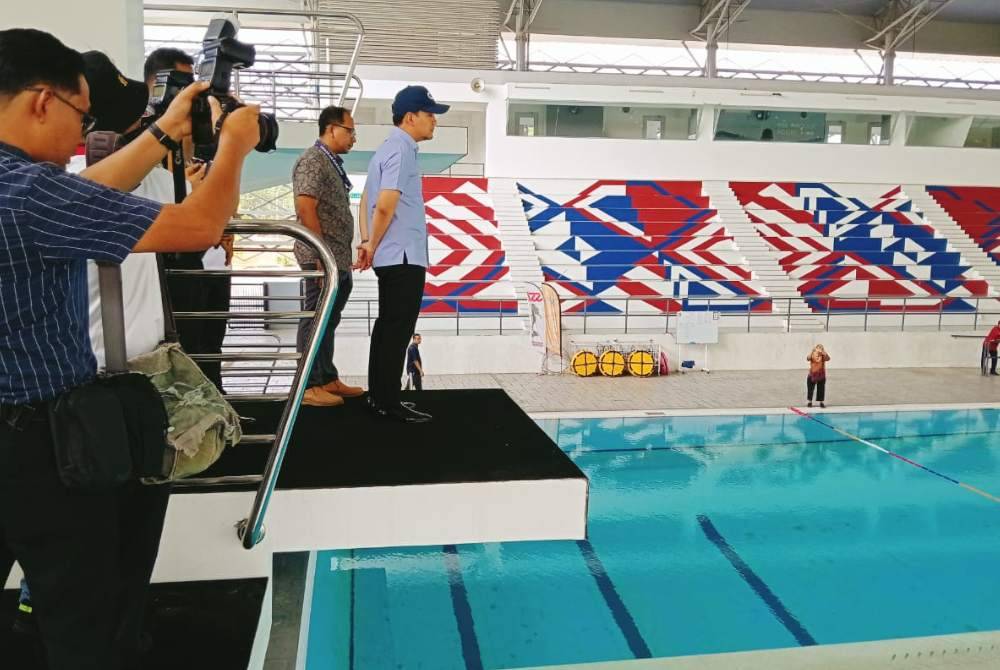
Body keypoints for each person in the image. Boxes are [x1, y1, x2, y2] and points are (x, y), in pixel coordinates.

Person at [0, 28, 259, 669]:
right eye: (79, 116)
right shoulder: (31, 193)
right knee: (81, 615)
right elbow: (198, 226)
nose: (80, 136)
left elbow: (92, 190)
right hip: (38, 447)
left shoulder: (25, 187)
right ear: (40, 101)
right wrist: (234, 148)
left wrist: (167, 131)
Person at [355, 85, 449, 423]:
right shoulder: (402, 148)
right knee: (396, 330)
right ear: (410, 117)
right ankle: (388, 403)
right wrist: (371, 244)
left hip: (390, 254)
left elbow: (366, 201)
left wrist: (368, 242)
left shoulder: (384, 149)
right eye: (429, 115)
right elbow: (385, 203)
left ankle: (379, 397)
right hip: (404, 256)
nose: (434, 122)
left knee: (386, 328)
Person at [144, 47, 233, 392]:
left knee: (212, 346)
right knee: (188, 349)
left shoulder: (201, 132)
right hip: (177, 262)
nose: (192, 90)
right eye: (182, 83)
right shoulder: (146, 137)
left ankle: (220, 412)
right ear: (157, 85)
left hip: (213, 258)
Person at [293, 105, 364, 407]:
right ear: (331, 128)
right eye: (350, 131)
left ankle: (326, 377)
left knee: (328, 320)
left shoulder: (329, 162)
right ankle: (307, 385)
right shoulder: (313, 161)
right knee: (314, 319)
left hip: (336, 256)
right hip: (321, 257)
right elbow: (306, 208)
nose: (353, 138)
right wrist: (320, 255)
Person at [806, 344, 831, 408]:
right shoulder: (813, 354)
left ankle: (821, 402)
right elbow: (808, 358)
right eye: (818, 347)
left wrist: (824, 353)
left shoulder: (823, 355)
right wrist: (812, 351)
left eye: (821, 348)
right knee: (810, 388)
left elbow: (828, 359)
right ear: (816, 348)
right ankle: (809, 402)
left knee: (821, 389)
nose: (820, 349)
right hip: (812, 374)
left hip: (821, 374)